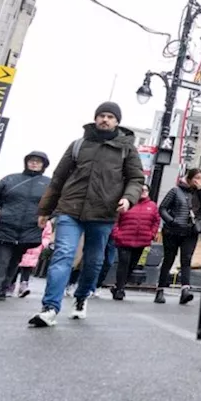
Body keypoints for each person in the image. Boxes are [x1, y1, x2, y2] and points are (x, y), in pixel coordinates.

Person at [28, 102, 144, 328]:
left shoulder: (127, 149)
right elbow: (58, 178)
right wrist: (45, 210)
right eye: (102, 115)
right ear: (95, 118)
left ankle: (81, 297)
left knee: (94, 261)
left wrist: (128, 198)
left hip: (104, 212)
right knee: (63, 254)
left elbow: (136, 178)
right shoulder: (78, 145)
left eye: (110, 116)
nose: (105, 120)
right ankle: (49, 308)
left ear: (117, 122)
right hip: (71, 209)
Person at [0, 152, 50, 303]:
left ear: (44, 165)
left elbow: (55, 202)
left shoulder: (48, 184)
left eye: (38, 162)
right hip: (4, 224)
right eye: (31, 161)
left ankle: (3, 289)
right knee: (0, 259)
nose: (34, 163)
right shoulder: (10, 179)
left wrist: (46, 216)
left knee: (14, 260)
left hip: (30, 227)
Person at [155, 168, 201, 306]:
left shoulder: (200, 194)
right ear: (189, 178)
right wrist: (171, 221)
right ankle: (160, 290)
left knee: (186, 260)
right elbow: (162, 208)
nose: (199, 181)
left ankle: (185, 291)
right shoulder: (175, 191)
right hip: (172, 231)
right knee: (169, 259)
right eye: (196, 178)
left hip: (190, 232)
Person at [109, 186, 161, 300]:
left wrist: (151, 234)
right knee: (124, 263)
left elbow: (156, 221)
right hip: (124, 239)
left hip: (141, 240)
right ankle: (120, 289)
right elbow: (116, 218)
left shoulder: (152, 206)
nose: (143, 192)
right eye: (141, 190)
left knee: (132, 264)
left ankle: (118, 285)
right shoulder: (127, 203)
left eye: (146, 190)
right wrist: (116, 233)